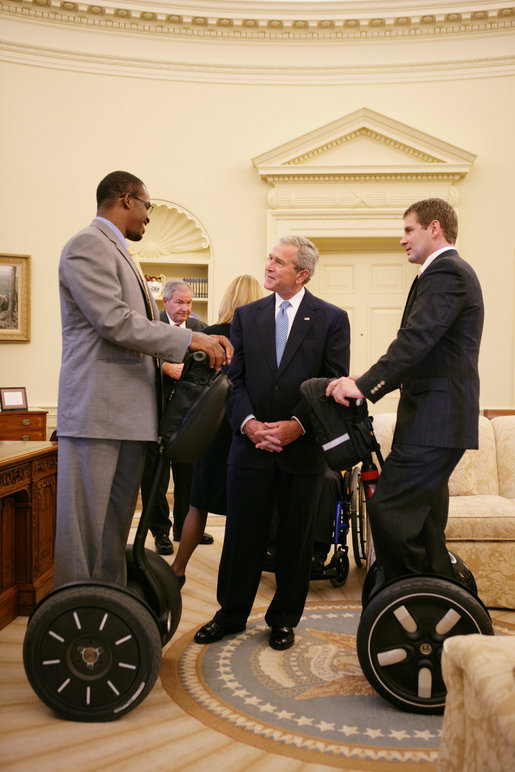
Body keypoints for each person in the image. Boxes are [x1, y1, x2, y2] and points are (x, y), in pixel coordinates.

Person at [54, 170, 232, 588]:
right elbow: (115, 323)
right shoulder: (87, 246)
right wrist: (192, 340)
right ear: (127, 198)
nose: (149, 217)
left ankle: (110, 611)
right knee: (85, 535)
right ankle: (77, 619)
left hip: (130, 418)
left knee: (112, 532)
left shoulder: (119, 252)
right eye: (148, 207)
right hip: (98, 415)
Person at [194, 235, 350, 650]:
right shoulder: (247, 316)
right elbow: (235, 380)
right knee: (242, 536)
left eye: (278, 262)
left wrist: (296, 425)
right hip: (250, 447)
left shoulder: (332, 319)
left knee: (296, 542)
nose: (268, 266)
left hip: (302, 451)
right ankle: (230, 615)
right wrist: (248, 424)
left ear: (302, 274)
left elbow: (330, 384)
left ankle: (283, 619)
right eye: (269, 258)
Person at [326, 198, 484, 587]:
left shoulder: (447, 271)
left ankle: (412, 601)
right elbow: (423, 351)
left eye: (408, 230)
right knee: (426, 523)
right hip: (435, 419)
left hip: (437, 419)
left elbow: (415, 341)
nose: (402, 240)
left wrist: (362, 386)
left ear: (434, 228)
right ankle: (435, 597)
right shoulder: (444, 273)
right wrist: (364, 380)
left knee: (389, 510)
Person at [171, 274, 263, 581]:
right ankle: (235, 578)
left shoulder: (209, 336)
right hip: (245, 429)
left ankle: (178, 568)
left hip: (211, 428)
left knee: (198, 505)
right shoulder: (262, 341)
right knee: (243, 510)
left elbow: (190, 383)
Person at [139, 279, 212, 557]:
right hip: (154, 413)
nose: (185, 308)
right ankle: (160, 532)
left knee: (188, 475)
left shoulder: (199, 329)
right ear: (166, 302)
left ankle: (185, 526)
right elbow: (138, 360)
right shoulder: (151, 325)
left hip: (189, 415)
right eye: (180, 302)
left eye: (189, 303)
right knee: (155, 479)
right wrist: (165, 367)